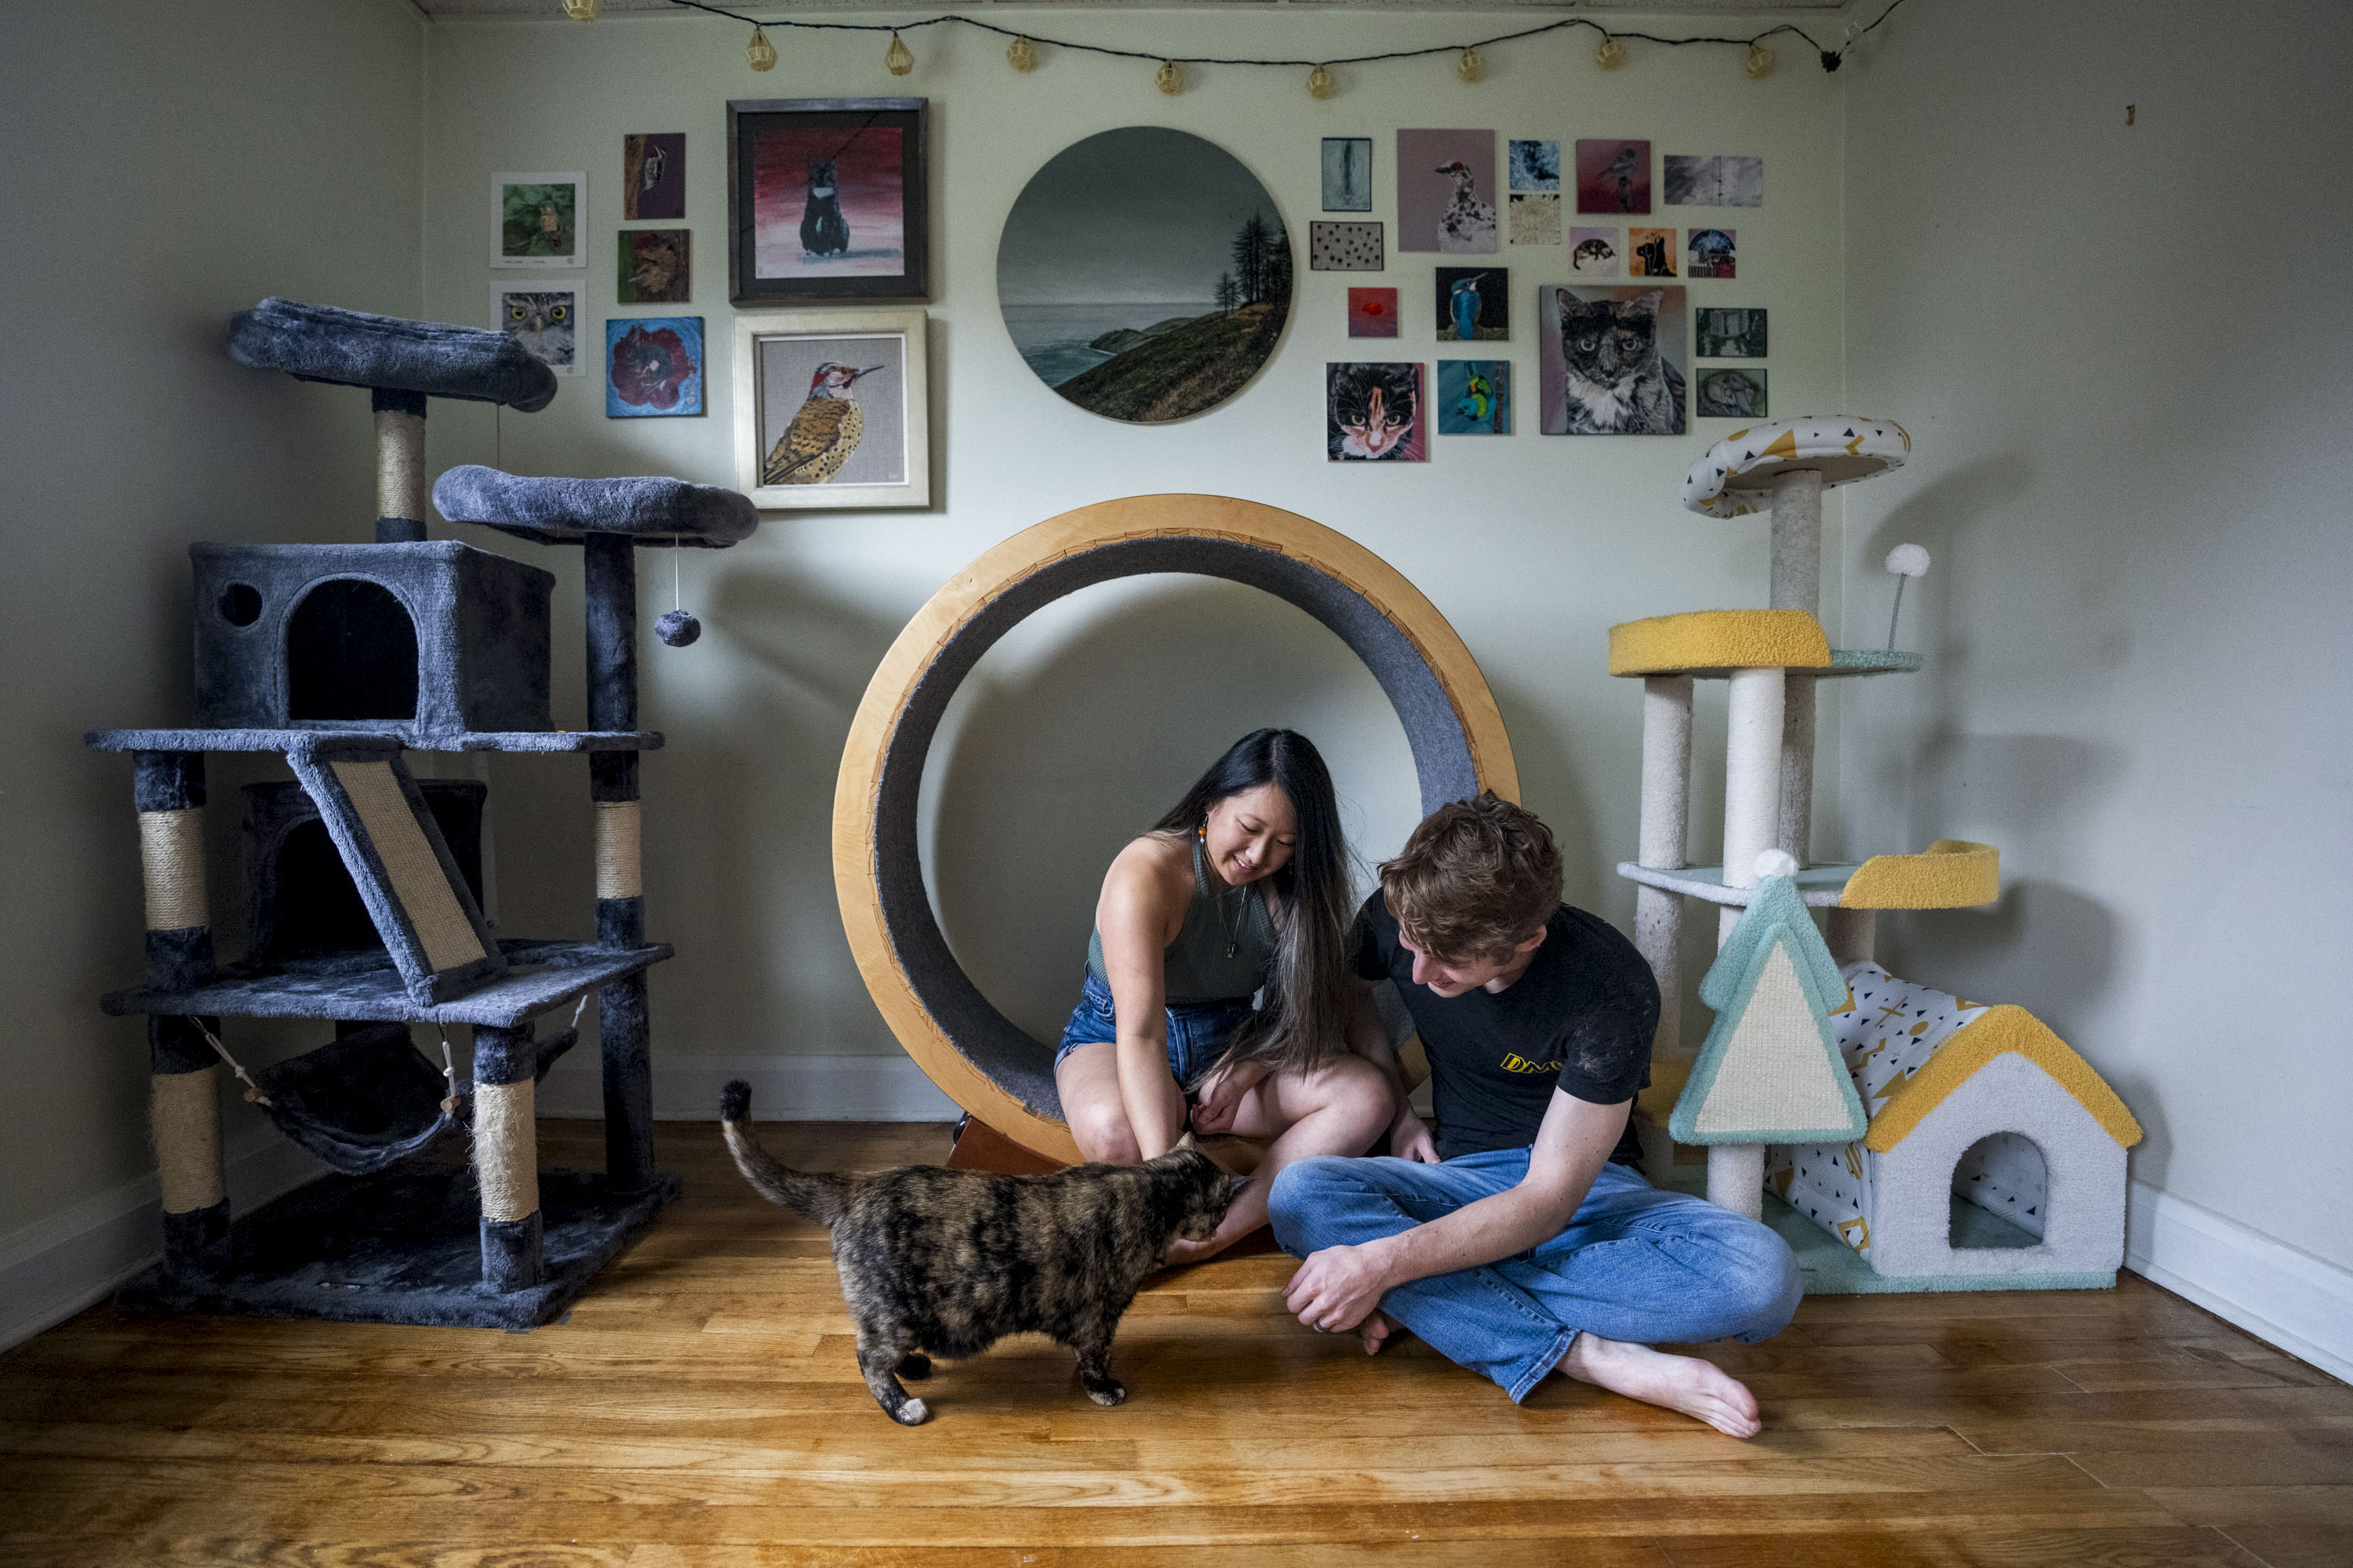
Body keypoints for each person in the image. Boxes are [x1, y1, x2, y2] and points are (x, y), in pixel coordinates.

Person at [1266, 792, 1802, 1438]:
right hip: (1460, 1181)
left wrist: (1382, 1267)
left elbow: (1547, 1200)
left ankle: (1439, 1302)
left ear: (1526, 940)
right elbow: (1352, 990)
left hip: (1588, 1194)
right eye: (1411, 943)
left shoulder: (1609, 982)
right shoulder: (1398, 911)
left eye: (1448, 961)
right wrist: (1398, 1109)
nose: (1420, 971)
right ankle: (1587, 1355)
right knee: (1299, 1193)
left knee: (1764, 1277)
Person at [1054, 729, 1406, 1262]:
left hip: (1230, 1041)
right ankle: (1188, 1209)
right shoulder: (1145, 872)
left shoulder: (1293, 890)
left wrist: (1246, 1071)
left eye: (1285, 843)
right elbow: (1141, 1034)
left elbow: (1301, 1015)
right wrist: (1171, 1180)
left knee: (1367, 1096)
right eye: (1249, 828)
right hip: (1114, 1034)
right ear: (1211, 802)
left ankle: (1223, 1230)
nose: (1258, 855)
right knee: (1113, 1134)